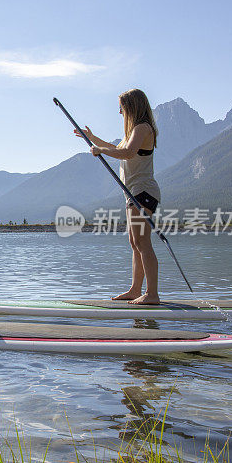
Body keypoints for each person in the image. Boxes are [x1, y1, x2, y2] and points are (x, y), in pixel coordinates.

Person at [77, 88, 161, 305]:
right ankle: (135, 290)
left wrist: (100, 151)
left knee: (143, 242)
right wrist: (93, 139)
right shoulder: (134, 131)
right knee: (135, 243)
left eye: (122, 108)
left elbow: (127, 153)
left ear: (132, 107)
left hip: (143, 192)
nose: (120, 113)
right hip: (134, 194)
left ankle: (152, 294)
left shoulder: (143, 128)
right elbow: (119, 148)